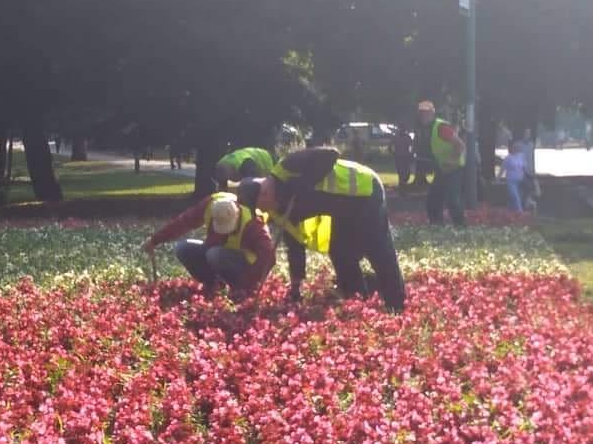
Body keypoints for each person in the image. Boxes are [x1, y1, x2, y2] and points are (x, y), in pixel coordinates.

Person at [239, 148, 405, 311]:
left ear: (265, 193)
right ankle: (357, 301)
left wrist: (303, 183)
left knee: (378, 249)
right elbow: (295, 246)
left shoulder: (287, 166)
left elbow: (330, 154)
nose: (265, 211)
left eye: (261, 207)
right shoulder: (279, 210)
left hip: (365, 190)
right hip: (342, 210)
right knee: (340, 253)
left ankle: (396, 304)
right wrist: (296, 287)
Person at [142, 191, 275, 297]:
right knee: (182, 248)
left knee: (214, 254)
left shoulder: (253, 223)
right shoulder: (210, 205)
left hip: (245, 265)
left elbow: (269, 257)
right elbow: (182, 223)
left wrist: (246, 283)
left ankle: (237, 289)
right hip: (218, 252)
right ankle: (214, 284)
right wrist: (155, 240)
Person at [417, 100, 466, 226]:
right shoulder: (427, 129)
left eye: (426, 113)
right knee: (433, 200)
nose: (423, 116)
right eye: (421, 113)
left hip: (454, 169)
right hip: (442, 169)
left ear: (432, 113)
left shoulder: (441, 127)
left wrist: (451, 160)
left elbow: (460, 145)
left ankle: (461, 227)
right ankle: (436, 225)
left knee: (453, 200)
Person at [501, 140, 529, 212]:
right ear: (512, 148)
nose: (517, 149)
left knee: (516, 198)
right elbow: (502, 169)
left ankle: (510, 211)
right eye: (515, 147)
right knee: (515, 196)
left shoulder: (522, 156)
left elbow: (525, 168)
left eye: (518, 148)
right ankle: (520, 212)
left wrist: (529, 177)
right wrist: (498, 178)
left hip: (520, 180)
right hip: (511, 181)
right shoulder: (508, 158)